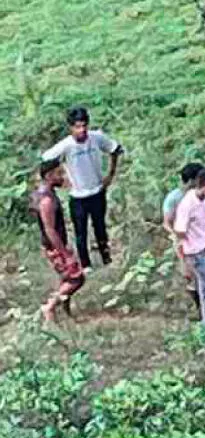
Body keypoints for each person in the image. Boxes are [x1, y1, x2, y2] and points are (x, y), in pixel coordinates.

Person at [41, 107, 123, 270]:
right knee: (81, 232)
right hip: (78, 196)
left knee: (100, 227)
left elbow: (115, 149)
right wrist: (61, 179)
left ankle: (106, 258)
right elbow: (45, 159)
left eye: (84, 126)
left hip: (97, 191)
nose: (82, 130)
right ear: (71, 128)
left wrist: (111, 174)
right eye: (77, 127)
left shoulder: (96, 138)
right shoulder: (66, 145)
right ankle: (86, 265)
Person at [30, 160, 86, 321]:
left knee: (67, 278)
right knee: (76, 278)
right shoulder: (46, 200)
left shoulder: (43, 194)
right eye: (59, 173)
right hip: (54, 246)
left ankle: (65, 312)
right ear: (49, 176)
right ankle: (50, 307)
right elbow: (50, 229)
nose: (62, 176)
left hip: (54, 244)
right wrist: (65, 253)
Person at [163, 162, 205, 308]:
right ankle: (202, 310)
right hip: (186, 242)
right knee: (192, 277)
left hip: (203, 239)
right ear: (192, 180)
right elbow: (167, 222)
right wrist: (181, 238)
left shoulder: (204, 195)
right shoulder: (175, 198)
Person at [173, 167, 205, 326]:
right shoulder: (187, 204)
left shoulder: (201, 200)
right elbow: (179, 231)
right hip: (196, 254)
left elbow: (203, 225)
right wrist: (186, 257)